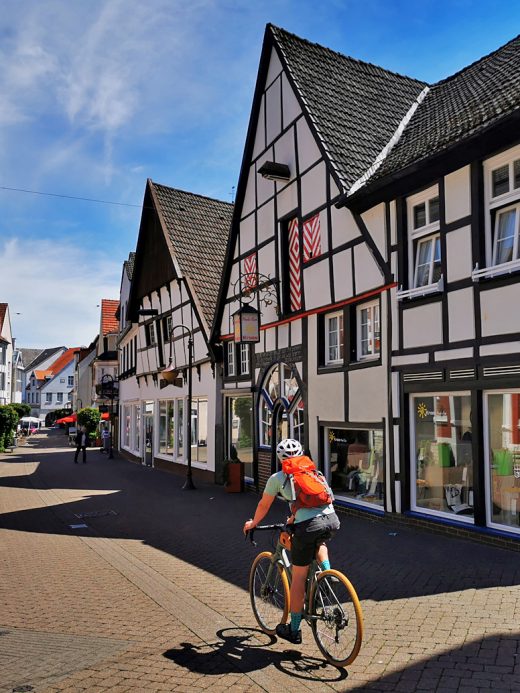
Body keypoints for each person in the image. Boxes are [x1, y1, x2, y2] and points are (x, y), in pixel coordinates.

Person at [243, 438, 340, 645]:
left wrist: (253, 523)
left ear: (280, 458)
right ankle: (326, 572)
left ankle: (294, 630)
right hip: (332, 521)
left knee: (298, 577)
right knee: (319, 541)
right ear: (301, 452)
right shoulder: (315, 473)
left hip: (308, 526)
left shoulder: (278, 478)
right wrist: (294, 518)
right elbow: (316, 502)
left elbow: (264, 505)